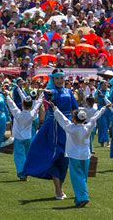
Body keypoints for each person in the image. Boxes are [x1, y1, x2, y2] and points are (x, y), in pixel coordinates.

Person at [22, 69, 78, 200]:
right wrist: (46, 93)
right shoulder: (50, 91)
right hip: (52, 126)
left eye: (61, 78)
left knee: (65, 158)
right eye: (56, 78)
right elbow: (48, 96)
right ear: (52, 79)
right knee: (53, 155)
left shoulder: (68, 92)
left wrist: (79, 122)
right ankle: (58, 190)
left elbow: (75, 108)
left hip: (66, 126)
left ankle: (59, 188)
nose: (59, 80)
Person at [49, 98, 111, 207]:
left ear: (74, 119)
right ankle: (79, 198)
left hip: (74, 156)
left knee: (77, 178)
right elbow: (95, 116)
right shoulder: (88, 127)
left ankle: (83, 197)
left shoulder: (70, 127)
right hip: (85, 155)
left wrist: (54, 108)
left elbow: (61, 118)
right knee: (82, 177)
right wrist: (104, 108)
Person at [5, 90, 44, 180]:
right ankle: (26, 171)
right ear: (30, 106)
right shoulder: (32, 113)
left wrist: (7, 96)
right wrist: (41, 96)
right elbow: (37, 104)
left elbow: (12, 105)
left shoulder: (18, 114)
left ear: (23, 104)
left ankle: (22, 172)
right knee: (26, 155)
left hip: (19, 138)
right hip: (28, 137)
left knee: (19, 156)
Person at [94, 81, 112, 147]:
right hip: (101, 109)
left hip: (109, 110)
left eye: (106, 85)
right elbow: (95, 100)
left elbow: (111, 99)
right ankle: (106, 141)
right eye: (103, 85)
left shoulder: (109, 91)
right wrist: (98, 96)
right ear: (101, 86)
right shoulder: (98, 92)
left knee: (107, 125)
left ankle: (103, 140)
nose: (105, 86)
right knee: (102, 125)